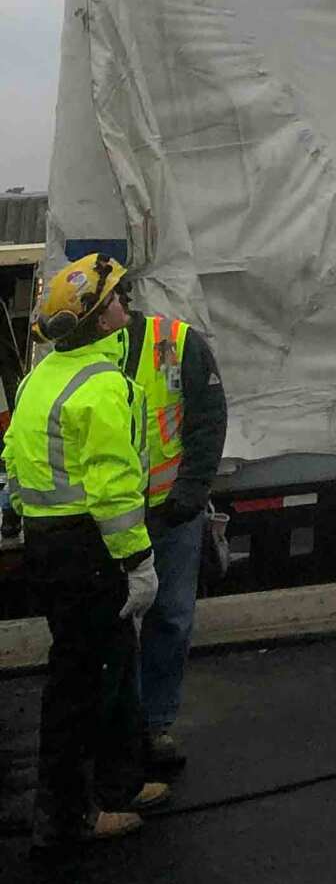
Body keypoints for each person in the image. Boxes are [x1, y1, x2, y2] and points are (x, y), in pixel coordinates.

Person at [1, 252, 170, 849]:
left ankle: (118, 784)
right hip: (89, 550)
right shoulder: (102, 387)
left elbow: (14, 467)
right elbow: (114, 490)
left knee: (107, 663)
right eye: (117, 300)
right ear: (101, 321)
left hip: (51, 546)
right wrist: (139, 563)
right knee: (81, 683)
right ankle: (68, 816)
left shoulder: (38, 379)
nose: (126, 306)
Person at [116, 269, 227, 776]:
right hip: (108, 520)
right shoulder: (76, 356)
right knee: (109, 627)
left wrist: (187, 497)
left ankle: (155, 724)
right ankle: (115, 730)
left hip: (168, 515)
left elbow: (207, 421)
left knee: (170, 618)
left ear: (124, 300)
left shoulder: (176, 343)